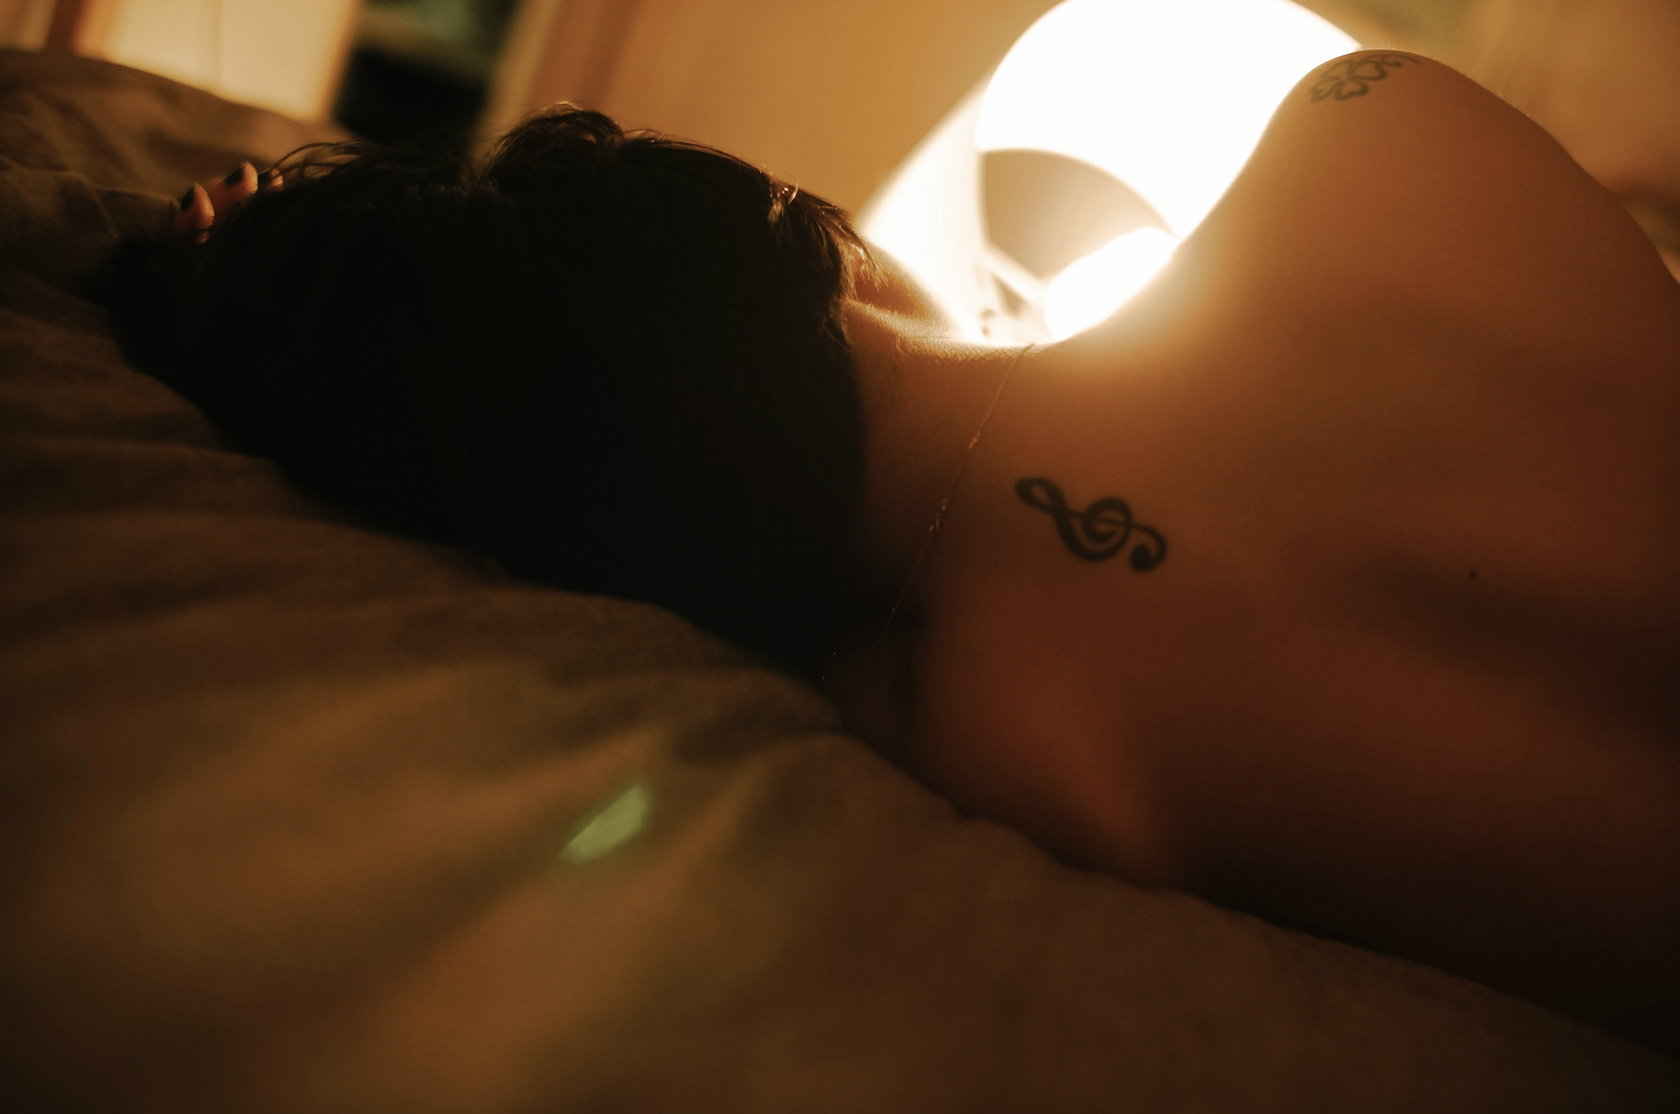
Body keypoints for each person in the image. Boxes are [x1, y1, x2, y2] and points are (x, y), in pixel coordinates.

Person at [105, 51, 1680, 1051]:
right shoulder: (1366, 121)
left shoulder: (990, 735)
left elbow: (458, 385)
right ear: (801, 233)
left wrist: (246, 281)